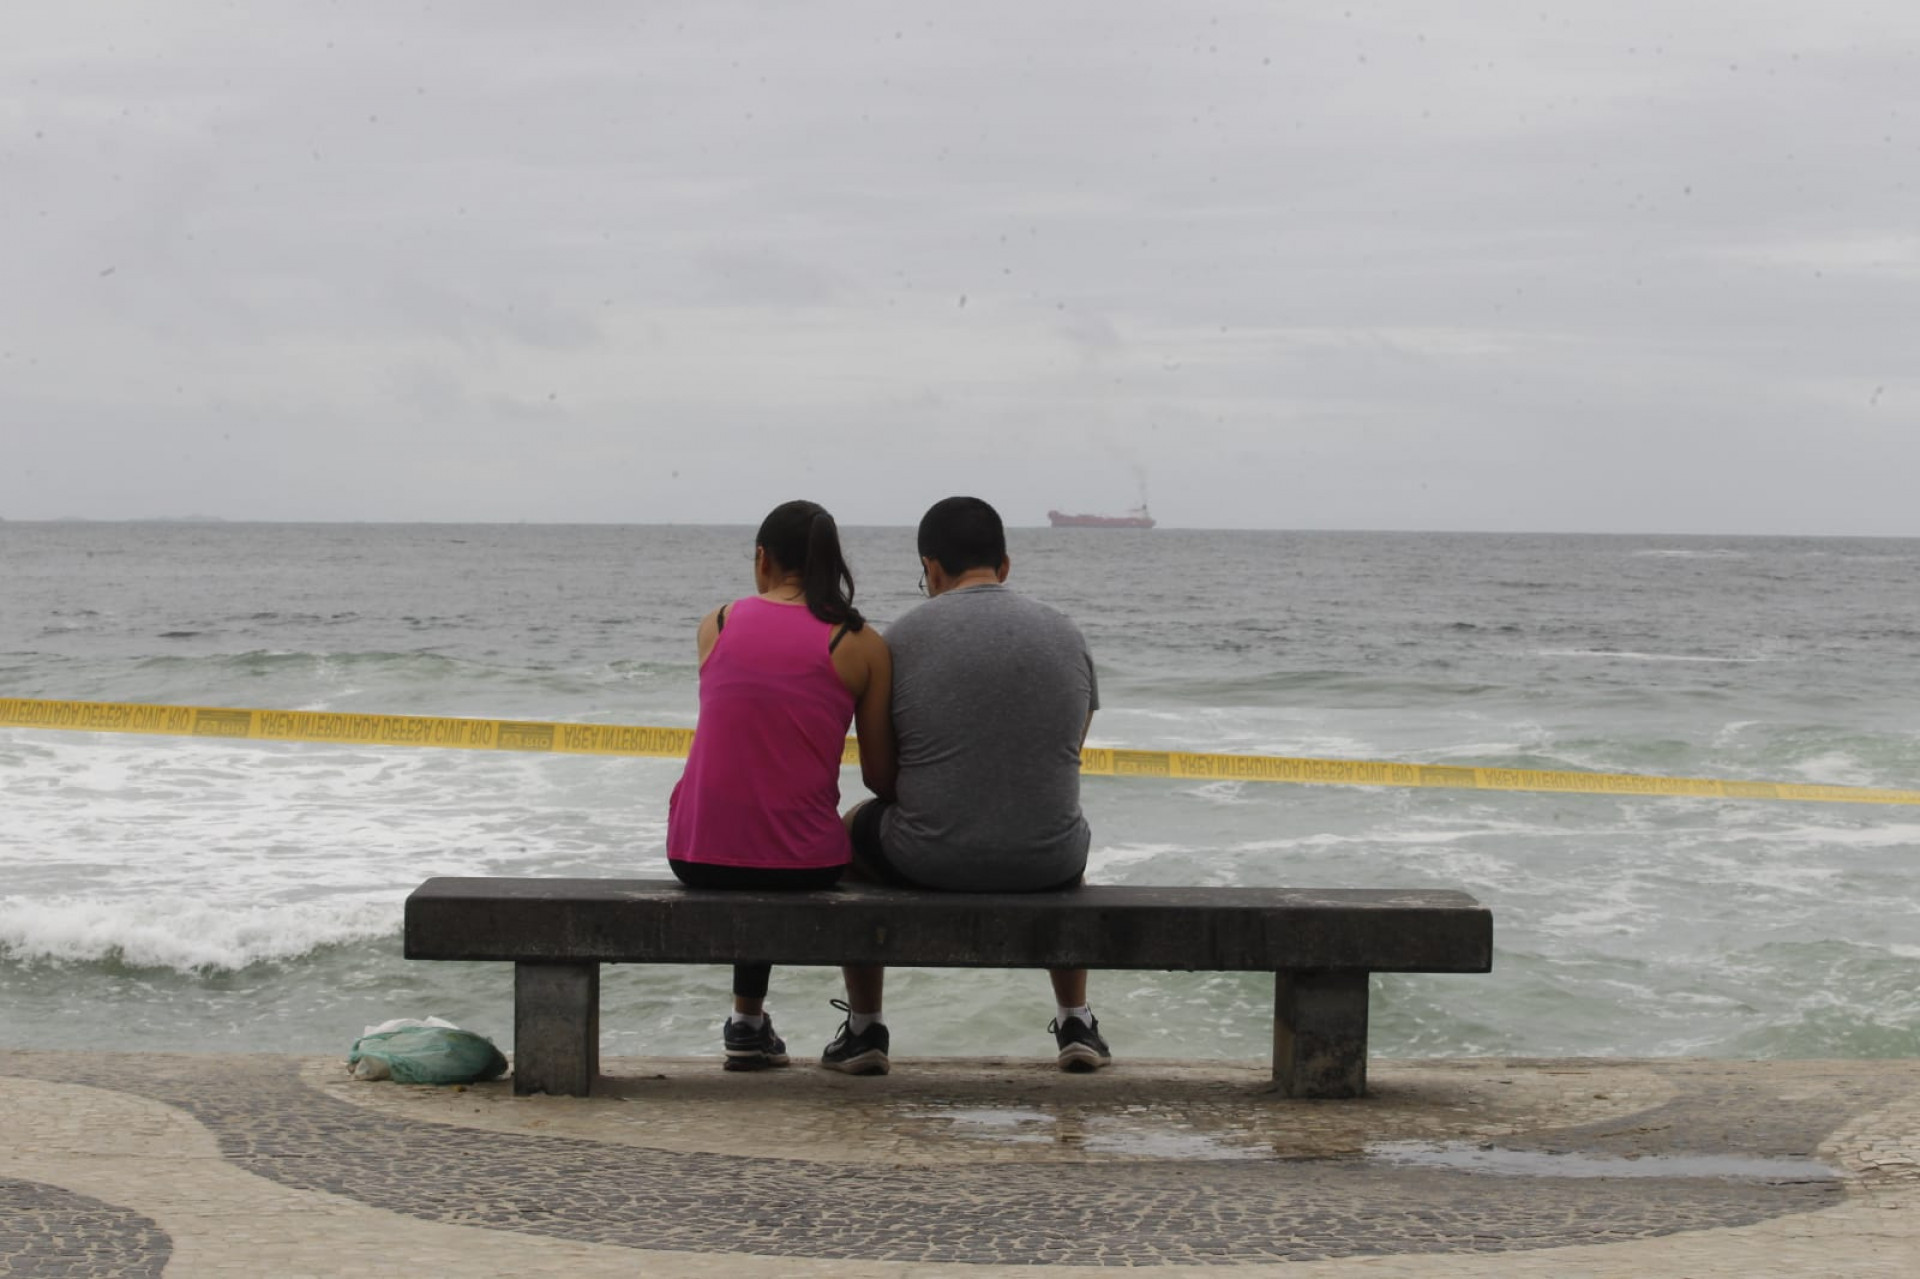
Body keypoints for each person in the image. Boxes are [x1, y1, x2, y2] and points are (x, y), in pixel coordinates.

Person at [820, 495, 1107, 1076]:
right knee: (1059, 823)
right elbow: (1066, 752)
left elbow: (880, 777)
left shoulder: (898, 639)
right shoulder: (1066, 632)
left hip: (929, 858)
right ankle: (1076, 1020)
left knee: (851, 829)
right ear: (1004, 565)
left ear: (931, 568)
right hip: (1048, 862)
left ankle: (864, 1029)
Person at [666, 499, 895, 1071]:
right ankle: (865, 1028)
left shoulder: (715, 623)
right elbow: (878, 776)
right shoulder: (859, 642)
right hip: (804, 863)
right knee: (836, 839)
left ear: (762, 558)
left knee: (750, 828)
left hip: (695, 851)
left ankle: (747, 1023)